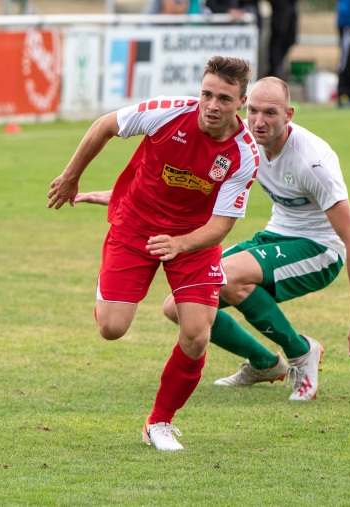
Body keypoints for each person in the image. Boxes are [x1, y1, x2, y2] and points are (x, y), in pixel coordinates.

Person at [76, 77, 350, 402]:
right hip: (275, 234)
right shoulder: (244, 146)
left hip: (321, 250)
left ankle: (302, 352)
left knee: (228, 276)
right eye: (255, 112)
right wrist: (122, 196)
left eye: (271, 113)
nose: (260, 121)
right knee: (175, 307)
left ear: (289, 114)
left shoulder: (312, 161)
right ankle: (264, 363)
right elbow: (195, 189)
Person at [47, 56, 259, 451]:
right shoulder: (167, 113)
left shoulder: (244, 154)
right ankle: (110, 282)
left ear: (241, 103)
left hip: (193, 242)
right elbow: (105, 125)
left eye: (225, 99)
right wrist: (72, 176)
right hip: (135, 227)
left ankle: (158, 423)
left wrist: (180, 244)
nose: (212, 105)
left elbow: (222, 224)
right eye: (207, 94)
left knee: (196, 334)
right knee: (111, 328)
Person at [266, 0, 299, 80]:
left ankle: (279, 66)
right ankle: (274, 70)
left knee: (290, 38)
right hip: (279, 8)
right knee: (278, 38)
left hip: (291, 6)